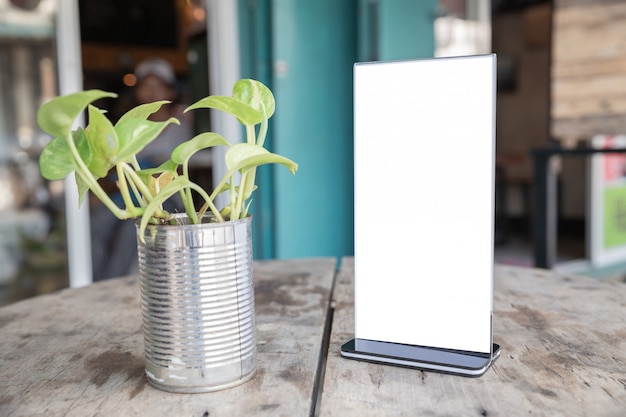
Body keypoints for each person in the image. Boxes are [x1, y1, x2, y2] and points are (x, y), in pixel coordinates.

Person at [91, 57, 192, 281]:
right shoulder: (131, 124)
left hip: (165, 195)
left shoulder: (184, 120)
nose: (152, 93)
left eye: (158, 87)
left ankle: (110, 284)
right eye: (146, 87)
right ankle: (95, 281)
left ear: (170, 91)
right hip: (130, 192)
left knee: (132, 230)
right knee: (99, 220)